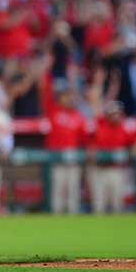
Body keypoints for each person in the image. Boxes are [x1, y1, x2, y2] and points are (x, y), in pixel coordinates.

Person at [86, 69, 136, 214]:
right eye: (113, 113)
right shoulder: (100, 123)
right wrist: (99, 82)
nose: (116, 116)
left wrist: (135, 149)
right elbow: (94, 100)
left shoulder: (126, 126)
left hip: (117, 169)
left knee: (117, 206)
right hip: (99, 168)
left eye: (118, 113)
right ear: (108, 115)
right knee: (99, 207)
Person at [42, 76, 88, 214]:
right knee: (57, 191)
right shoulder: (53, 111)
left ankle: (73, 217)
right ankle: (55, 217)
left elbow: (84, 139)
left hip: (73, 160)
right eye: (66, 96)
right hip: (56, 159)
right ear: (60, 98)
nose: (69, 99)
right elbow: (45, 92)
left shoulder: (78, 115)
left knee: (73, 191)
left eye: (70, 96)